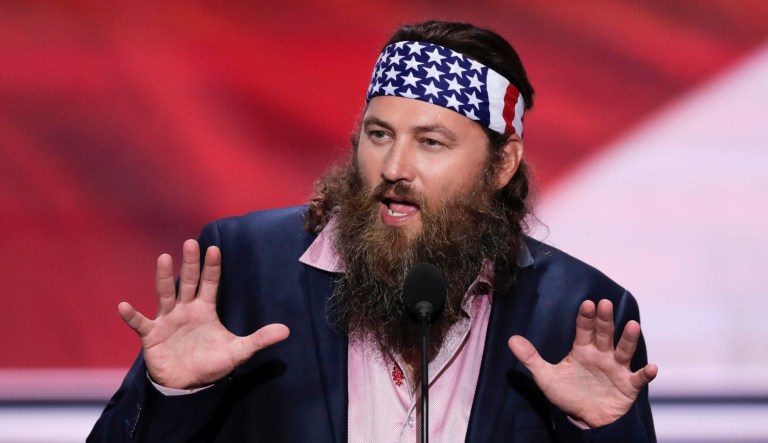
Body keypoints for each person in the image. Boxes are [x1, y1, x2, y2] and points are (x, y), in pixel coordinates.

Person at [89, 20, 657, 442]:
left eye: (430, 142)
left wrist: (603, 433)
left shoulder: (580, 313)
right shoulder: (244, 269)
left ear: (503, 164)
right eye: (379, 134)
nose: (393, 168)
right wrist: (173, 396)